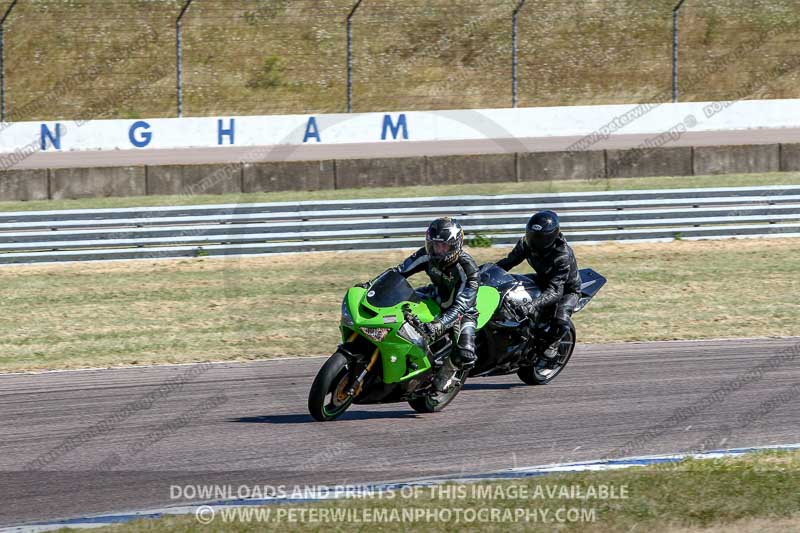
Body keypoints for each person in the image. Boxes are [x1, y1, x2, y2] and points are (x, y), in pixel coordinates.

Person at [392, 217, 480, 371]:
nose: (437, 250)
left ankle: (444, 381)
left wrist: (440, 324)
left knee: (465, 355)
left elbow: (461, 306)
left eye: (443, 246)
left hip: (463, 311)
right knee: (401, 305)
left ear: (455, 245)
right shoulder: (425, 254)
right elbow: (399, 272)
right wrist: (372, 285)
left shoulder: (468, 269)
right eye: (434, 245)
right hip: (436, 295)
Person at [496, 210, 581, 358]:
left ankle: (553, 343)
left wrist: (531, 306)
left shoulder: (562, 256)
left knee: (560, 318)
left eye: (540, 238)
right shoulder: (526, 244)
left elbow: (555, 290)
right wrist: (481, 273)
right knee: (510, 286)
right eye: (532, 235)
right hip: (541, 279)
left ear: (552, 237)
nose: (535, 240)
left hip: (566, 289)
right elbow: (508, 262)